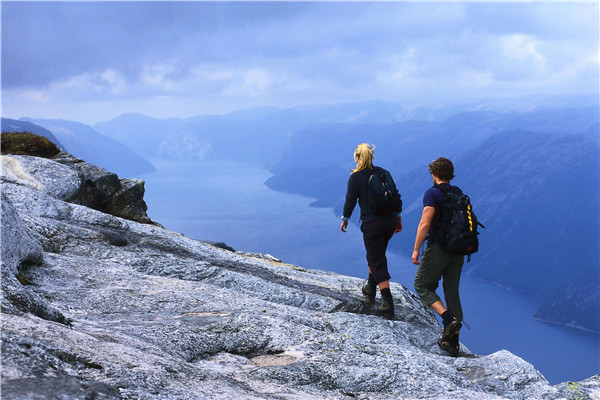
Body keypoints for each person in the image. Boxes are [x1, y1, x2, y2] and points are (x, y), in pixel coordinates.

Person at [340, 143, 403, 319]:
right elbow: (396, 196)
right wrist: (398, 219)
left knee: (377, 259)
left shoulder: (356, 177)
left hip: (372, 224)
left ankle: (387, 302)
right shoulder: (384, 173)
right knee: (376, 254)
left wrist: (345, 219)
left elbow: (350, 200)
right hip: (389, 221)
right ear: (372, 156)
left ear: (357, 157)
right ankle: (370, 287)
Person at [412, 157, 464, 357]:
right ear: (450, 174)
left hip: (439, 248)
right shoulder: (458, 193)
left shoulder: (433, 193)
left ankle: (448, 320)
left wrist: (416, 249)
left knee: (422, 285)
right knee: (452, 291)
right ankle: (453, 343)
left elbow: (425, 223)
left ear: (434, 174)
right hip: (459, 250)